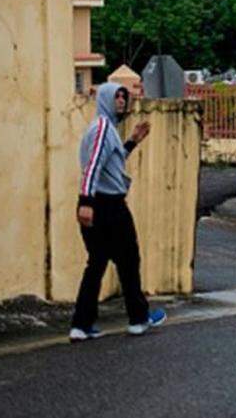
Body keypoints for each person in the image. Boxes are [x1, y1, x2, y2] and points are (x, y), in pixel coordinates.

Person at [69, 82, 166, 342]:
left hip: (98, 204)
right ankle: (138, 318)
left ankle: (81, 325)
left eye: (124, 97)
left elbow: (112, 162)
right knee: (128, 260)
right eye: (117, 97)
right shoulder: (102, 128)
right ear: (105, 99)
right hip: (107, 206)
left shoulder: (104, 128)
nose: (121, 101)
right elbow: (93, 167)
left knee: (97, 264)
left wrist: (132, 142)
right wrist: (86, 201)